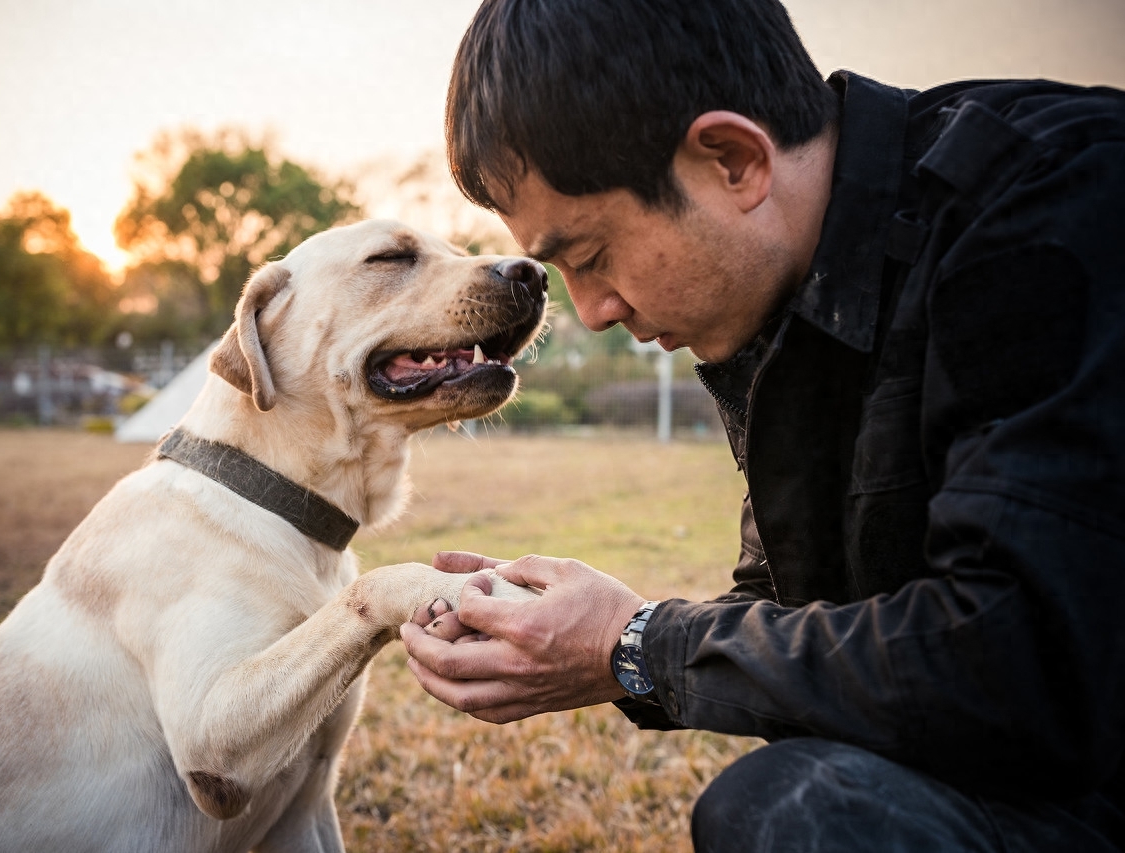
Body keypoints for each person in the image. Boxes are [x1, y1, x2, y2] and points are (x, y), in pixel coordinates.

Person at [397, 0, 1125, 850]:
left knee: (800, 811)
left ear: (734, 159)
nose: (591, 312)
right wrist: (590, 634)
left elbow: (1022, 662)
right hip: (1033, 779)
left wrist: (631, 643)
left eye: (590, 256)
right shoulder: (785, 296)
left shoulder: (1055, 205)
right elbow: (803, 613)